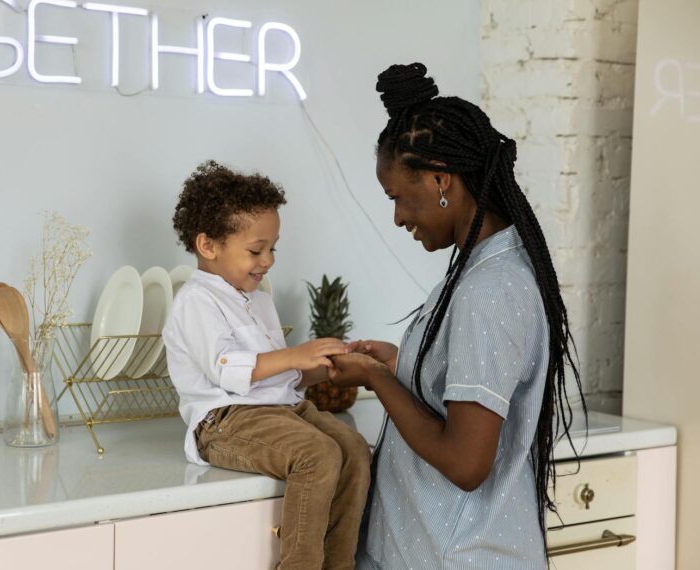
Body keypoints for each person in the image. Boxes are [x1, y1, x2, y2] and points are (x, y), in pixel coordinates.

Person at [326, 63, 586, 569]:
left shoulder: (488, 289)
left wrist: (380, 380)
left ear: (442, 178)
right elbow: (469, 385)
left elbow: (466, 462)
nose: (398, 217)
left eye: (399, 197)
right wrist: (401, 363)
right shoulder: (486, 269)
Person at [162, 160, 372, 570]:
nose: (269, 260)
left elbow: (274, 374)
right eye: (256, 250)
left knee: (354, 449)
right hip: (225, 420)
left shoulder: (257, 298)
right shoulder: (196, 301)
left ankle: (339, 564)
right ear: (208, 247)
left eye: (273, 248)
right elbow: (229, 370)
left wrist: (322, 365)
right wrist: (296, 354)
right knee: (317, 454)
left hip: (280, 411)